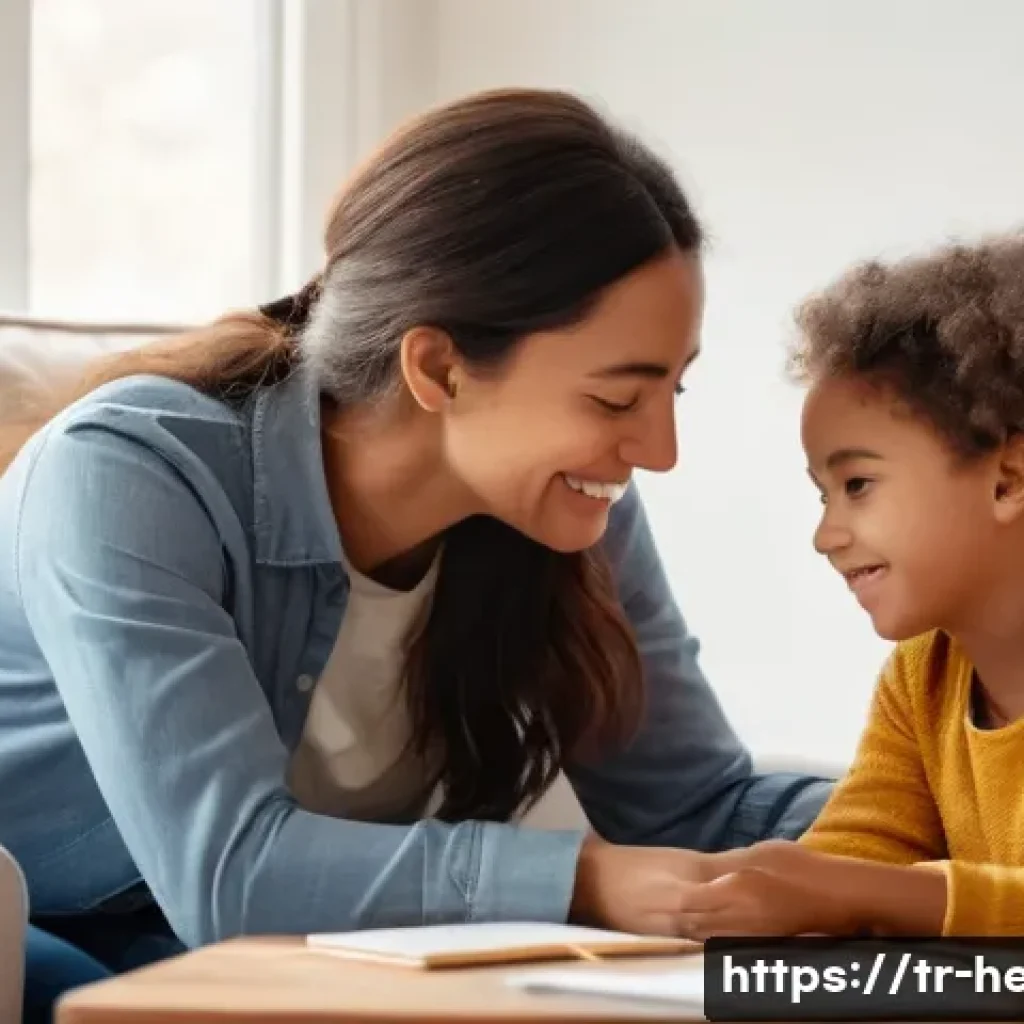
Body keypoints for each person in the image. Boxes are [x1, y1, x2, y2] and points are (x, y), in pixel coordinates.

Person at [0, 88, 831, 1013]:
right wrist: (588, 878)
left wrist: (939, 812)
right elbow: (231, 874)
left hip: (289, 960)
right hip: (51, 929)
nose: (660, 451)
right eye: (615, 399)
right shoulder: (128, 474)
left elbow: (701, 810)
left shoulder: (565, 508)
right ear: (437, 367)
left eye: (674, 391)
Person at [672, 231, 1024, 938]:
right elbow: (855, 857)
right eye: (822, 494)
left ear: (1008, 479)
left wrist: (867, 893)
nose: (826, 535)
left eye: (857, 484)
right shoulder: (922, 677)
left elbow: (863, 887)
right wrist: (750, 891)